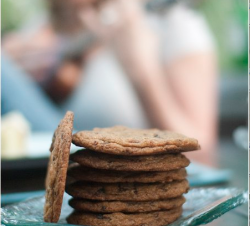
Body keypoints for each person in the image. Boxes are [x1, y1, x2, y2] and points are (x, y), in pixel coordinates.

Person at [2, 0, 218, 165]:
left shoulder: (170, 25)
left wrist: (140, 70)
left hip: (115, 170)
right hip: (38, 177)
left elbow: (200, 153)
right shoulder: (40, 27)